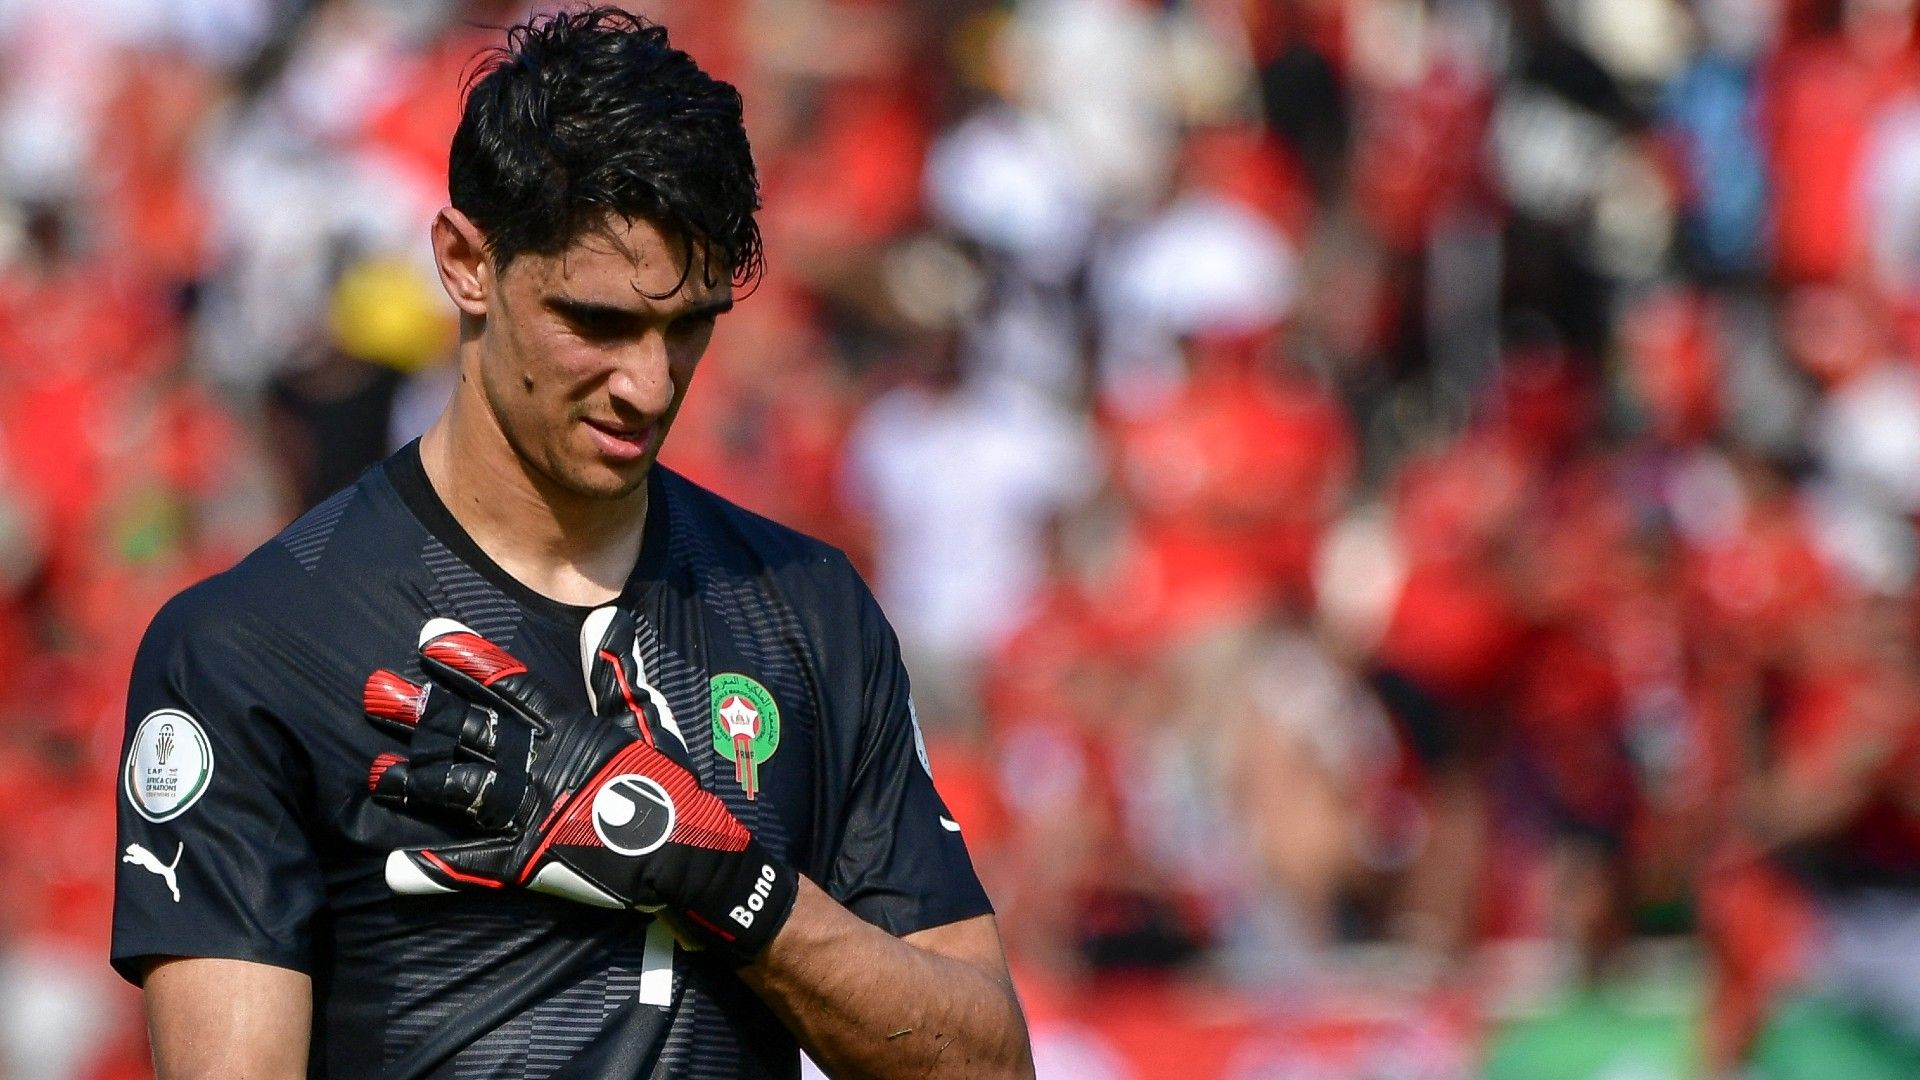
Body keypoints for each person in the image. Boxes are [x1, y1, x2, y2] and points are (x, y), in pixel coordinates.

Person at [109, 9, 1035, 1078]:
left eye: (687, 326)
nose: (648, 385)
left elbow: (986, 1066)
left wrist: (714, 876)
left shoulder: (807, 607)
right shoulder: (256, 645)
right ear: (465, 263)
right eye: (596, 322)